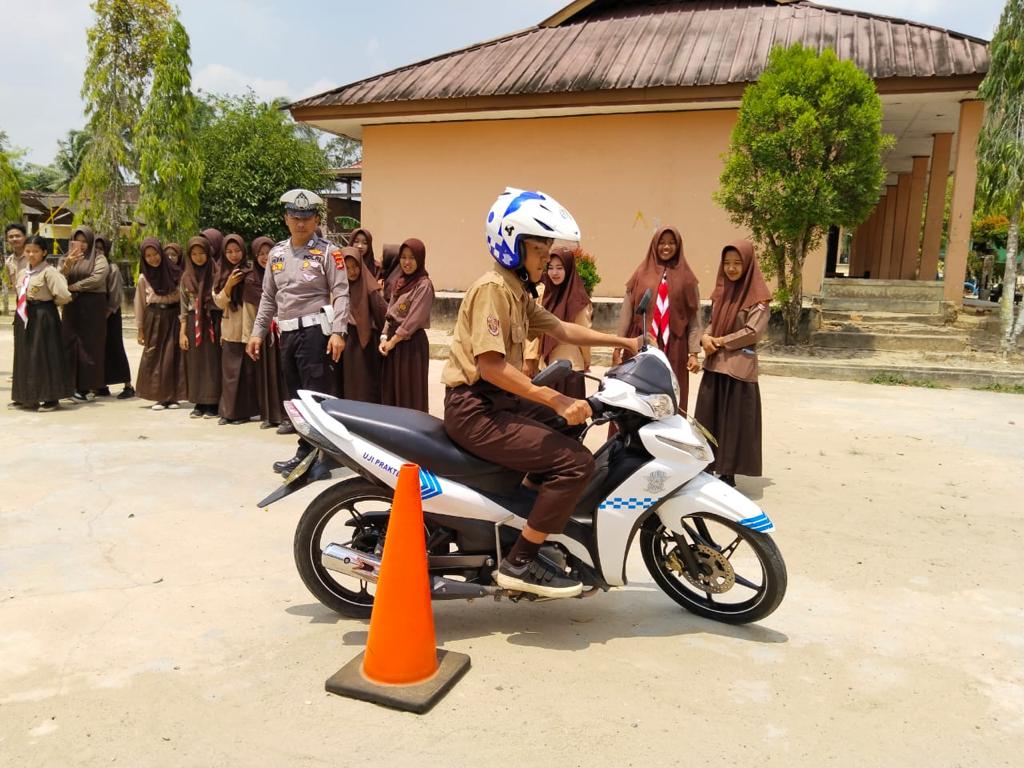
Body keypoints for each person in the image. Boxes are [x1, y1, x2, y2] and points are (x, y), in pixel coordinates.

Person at [442, 187, 641, 598]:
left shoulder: (516, 290)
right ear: (512, 244)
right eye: (539, 248)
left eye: (549, 248)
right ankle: (521, 561)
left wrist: (624, 343)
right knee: (575, 464)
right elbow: (490, 366)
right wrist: (556, 398)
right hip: (476, 409)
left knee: (572, 426)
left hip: (496, 404)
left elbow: (562, 328)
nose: (546, 257)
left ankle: (527, 516)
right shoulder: (493, 290)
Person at [246, 189, 350, 475]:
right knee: (294, 398)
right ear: (286, 219)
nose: (301, 223)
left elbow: (341, 293)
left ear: (317, 220)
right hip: (287, 335)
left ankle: (318, 457)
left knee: (315, 396)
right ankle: (309, 451)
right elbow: (268, 297)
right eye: (295, 217)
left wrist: (339, 331)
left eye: (307, 217)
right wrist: (257, 333)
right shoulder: (277, 253)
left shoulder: (329, 252)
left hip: (316, 333)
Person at [694, 240, 771, 488]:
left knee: (734, 422)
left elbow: (752, 332)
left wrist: (719, 340)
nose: (731, 268)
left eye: (738, 263)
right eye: (727, 263)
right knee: (709, 417)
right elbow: (711, 322)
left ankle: (728, 473)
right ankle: (705, 466)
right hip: (715, 365)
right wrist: (705, 337)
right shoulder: (721, 293)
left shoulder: (758, 298)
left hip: (738, 369)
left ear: (748, 265)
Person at [612, 226, 702, 411]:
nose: (666, 247)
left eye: (671, 243)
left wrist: (693, 352)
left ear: (678, 246)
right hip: (641, 344)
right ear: (654, 245)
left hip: (674, 347)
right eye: (662, 243)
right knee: (635, 393)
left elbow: (694, 317)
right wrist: (618, 347)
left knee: (669, 395)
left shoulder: (687, 278)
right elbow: (627, 311)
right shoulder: (641, 273)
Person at [11, 235, 72, 410]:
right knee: (25, 354)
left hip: (43, 315)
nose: (31, 254)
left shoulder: (49, 271)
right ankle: (26, 395)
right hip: (24, 315)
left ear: (44, 252)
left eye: (35, 251)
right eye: (28, 251)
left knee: (44, 355)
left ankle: (50, 397)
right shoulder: (23, 272)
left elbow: (64, 295)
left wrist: (48, 306)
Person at [524, 245, 593, 399]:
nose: (554, 273)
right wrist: (529, 359)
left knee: (570, 416)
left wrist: (586, 360)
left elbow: (585, 336)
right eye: (551, 267)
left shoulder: (579, 300)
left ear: (568, 269)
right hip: (546, 369)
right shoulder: (542, 294)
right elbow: (533, 329)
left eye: (560, 268)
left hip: (570, 370)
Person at [379, 238, 434, 413]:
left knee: (410, 390)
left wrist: (392, 342)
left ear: (420, 259)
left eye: (412, 257)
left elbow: (413, 319)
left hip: (411, 344)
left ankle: (412, 432)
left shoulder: (424, 285)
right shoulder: (399, 281)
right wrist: (383, 337)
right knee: (393, 389)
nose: (407, 262)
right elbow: (390, 312)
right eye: (403, 257)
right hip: (393, 343)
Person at [134, 237, 186, 410]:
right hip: (154, 317)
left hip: (174, 316)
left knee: (173, 356)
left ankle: (173, 397)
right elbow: (140, 304)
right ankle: (159, 397)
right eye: (148, 256)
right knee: (155, 357)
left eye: (155, 254)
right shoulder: (144, 278)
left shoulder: (177, 274)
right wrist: (140, 329)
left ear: (161, 253)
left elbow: (184, 299)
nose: (152, 258)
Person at [213, 234, 259, 425]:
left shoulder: (251, 273)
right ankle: (228, 412)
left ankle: (243, 413)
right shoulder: (221, 274)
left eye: (237, 250)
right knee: (230, 374)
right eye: (229, 251)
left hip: (248, 330)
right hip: (230, 330)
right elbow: (218, 302)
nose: (233, 255)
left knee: (246, 375)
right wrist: (230, 285)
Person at [60, 226, 110, 401]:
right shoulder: (66, 258)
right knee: (68, 342)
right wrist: (68, 264)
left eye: (84, 241)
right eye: (77, 240)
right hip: (71, 305)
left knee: (89, 346)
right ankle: (69, 385)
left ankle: (87, 388)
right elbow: (59, 277)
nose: (80, 245)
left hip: (92, 305)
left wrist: (75, 286)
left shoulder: (99, 257)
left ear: (90, 242)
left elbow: (98, 278)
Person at [245, 236, 286, 429]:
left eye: (267, 252)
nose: (264, 257)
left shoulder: (284, 272)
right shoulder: (252, 279)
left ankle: (287, 417)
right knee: (268, 373)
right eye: (260, 254)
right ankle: (270, 415)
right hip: (265, 332)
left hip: (285, 329)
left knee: (284, 373)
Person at [180, 235, 221, 418]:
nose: (198, 257)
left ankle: (213, 402)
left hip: (212, 320)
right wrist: (182, 332)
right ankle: (198, 402)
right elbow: (182, 305)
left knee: (212, 362)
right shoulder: (186, 277)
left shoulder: (216, 273)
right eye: (194, 254)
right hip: (192, 322)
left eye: (201, 253)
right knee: (195, 363)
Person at [339, 246, 387, 403]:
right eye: (347, 268)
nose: (352, 272)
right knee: (351, 381)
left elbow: (383, 315)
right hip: (349, 340)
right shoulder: (341, 288)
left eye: (355, 267)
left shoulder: (371, 287)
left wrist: (382, 336)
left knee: (367, 382)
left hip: (367, 342)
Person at [93, 235, 134, 399]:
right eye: (94, 248)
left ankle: (128, 385)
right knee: (99, 350)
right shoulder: (90, 267)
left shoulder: (112, 268)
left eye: (101, 249)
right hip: (95, 315)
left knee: (115, 347)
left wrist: (106, 313)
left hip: (110, 315)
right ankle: (101, 385)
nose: (97, 251)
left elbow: (116, 296)